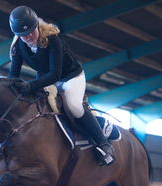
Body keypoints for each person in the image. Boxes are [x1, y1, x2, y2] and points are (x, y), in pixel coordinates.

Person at [8, 6, 114, 166]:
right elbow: (13, 77)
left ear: (37, 25)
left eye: (31, 30)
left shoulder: (52, 39)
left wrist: (30, 86)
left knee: (73, 106)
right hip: (45, 77)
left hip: (71, 76)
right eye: (24, 35)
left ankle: (103, 143)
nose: (29, 36)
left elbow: (55, 74)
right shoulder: (18, 47)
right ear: (18, 35)